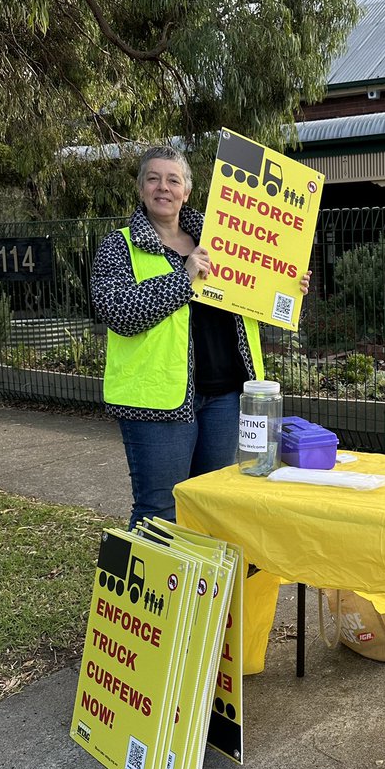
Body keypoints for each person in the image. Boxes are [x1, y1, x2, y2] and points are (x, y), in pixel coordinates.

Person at [91, 144, 310, 529]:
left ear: (187, 191)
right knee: (159, 511)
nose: (164, 187)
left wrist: (287, 288)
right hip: (156, 402)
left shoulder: (225, 242)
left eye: (173, 180)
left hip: (225, 396)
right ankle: (154, 590)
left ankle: (197, 591)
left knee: (210, 508)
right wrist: (184, 278)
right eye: (154, 179)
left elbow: (253, 308)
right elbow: (118, 312)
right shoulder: (119, 246)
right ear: (141, 189)